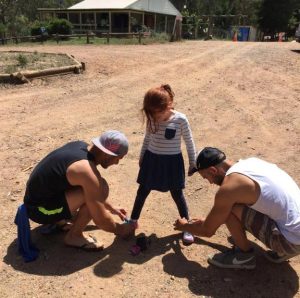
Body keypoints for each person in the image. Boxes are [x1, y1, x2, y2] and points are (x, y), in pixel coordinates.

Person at [174, 147, 300, 269]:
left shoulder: (229, 188)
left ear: (213, 170)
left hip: (291, 241)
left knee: (230, 207)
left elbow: (207, 231)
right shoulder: (251, 163)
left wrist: (184, 226)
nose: (210, 182)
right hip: (296, 228)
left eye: (207, 177)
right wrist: (209, 219)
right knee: (233, 205)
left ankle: (244, 256)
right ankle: (289, 240)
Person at [20, 130, 134, 253]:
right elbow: (100, 220)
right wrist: (122, 229)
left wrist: (110, 207)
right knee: (102, 186)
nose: (117, 163)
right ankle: (74, 236)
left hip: (37, 199)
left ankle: (60, 220)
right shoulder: (86, 170)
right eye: (118, 159)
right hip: (39, 210)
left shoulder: (80, 146)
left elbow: (90, 191)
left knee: (97, 186)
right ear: (108, 155)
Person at [128, 84, 197, 244]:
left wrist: (192, 162)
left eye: (158, 113)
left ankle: (187, 225)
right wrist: (142, 155)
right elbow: (147, 138)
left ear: (169, 105)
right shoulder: (152, 117)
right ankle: (133, 220)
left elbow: (189, 141)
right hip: (152, 160)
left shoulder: (180, 119)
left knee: (177, 194)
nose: (155, 117)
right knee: (142, 191)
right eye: (151, 113)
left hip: (172, 162)